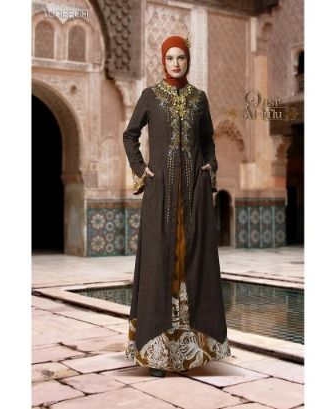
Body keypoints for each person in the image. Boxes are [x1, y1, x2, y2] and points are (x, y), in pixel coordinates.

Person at [123, 35, 231, 377]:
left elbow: (208, 140)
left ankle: (191, 351)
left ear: (187, 61)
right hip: (161, 196)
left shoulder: (199, 98)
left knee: (193, 261)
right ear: (163, 61)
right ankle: (156, 354)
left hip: (194, 195)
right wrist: (141, 169)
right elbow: (130, 135)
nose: (175, 63)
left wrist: (210, 166)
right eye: (170, 58)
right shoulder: (150, 96)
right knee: (160, 264)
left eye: (180, 58)